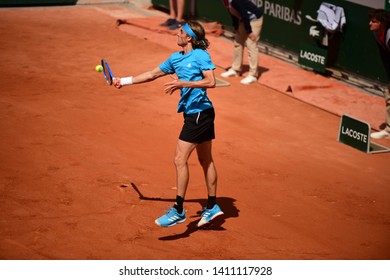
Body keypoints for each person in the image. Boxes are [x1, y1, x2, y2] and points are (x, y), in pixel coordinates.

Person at [113, 20, 224, 228]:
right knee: (205, 160)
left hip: (200, 114)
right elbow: (152, 74)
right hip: (197, 114)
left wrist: (183, 83)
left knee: (179, 159)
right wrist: (124, 81)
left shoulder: (200, 55)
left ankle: (179, 210)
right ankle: (212, 206)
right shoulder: (175, 59)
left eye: (180, 32)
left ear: (189, 37)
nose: (177, 34)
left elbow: (211, 81)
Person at [221, 0, 264, 85]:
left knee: (251, 44)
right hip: (244, 20)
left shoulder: (236, 1)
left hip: (254, 19)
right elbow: (232, 13)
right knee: (238, 42)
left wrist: (249, 32)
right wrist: (236, 26)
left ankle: (253, 75)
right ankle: (236, 69)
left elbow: (245, 14)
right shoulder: (225, 1)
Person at [369, 9, 390, 139]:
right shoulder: (377, 35)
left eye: (374, 21)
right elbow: (385, 58)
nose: (369, 23)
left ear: (382, 23)